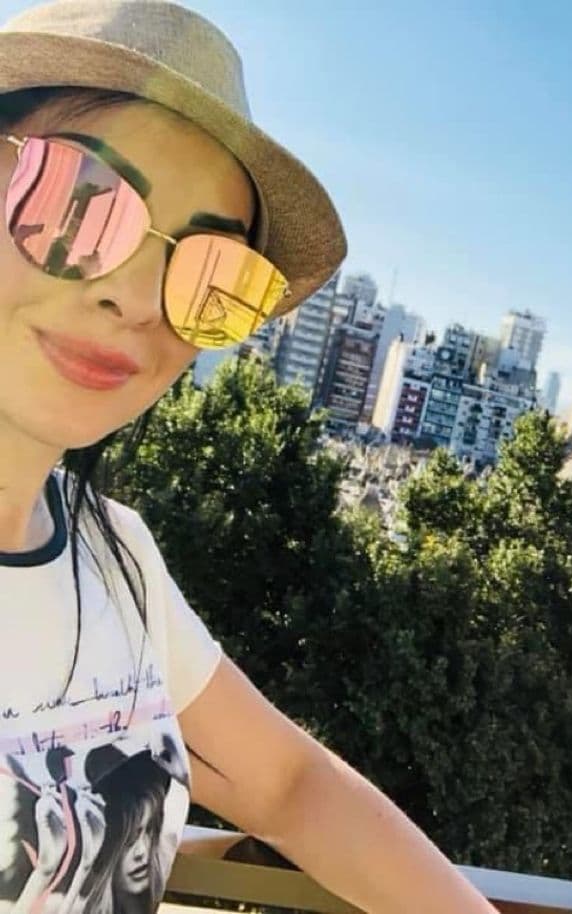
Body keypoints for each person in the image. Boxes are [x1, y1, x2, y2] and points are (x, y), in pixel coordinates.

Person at [0, 1, 496, 911]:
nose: (137, 299)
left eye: (209, 276)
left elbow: (288, 788)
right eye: (76, 202)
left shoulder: (116, 558)